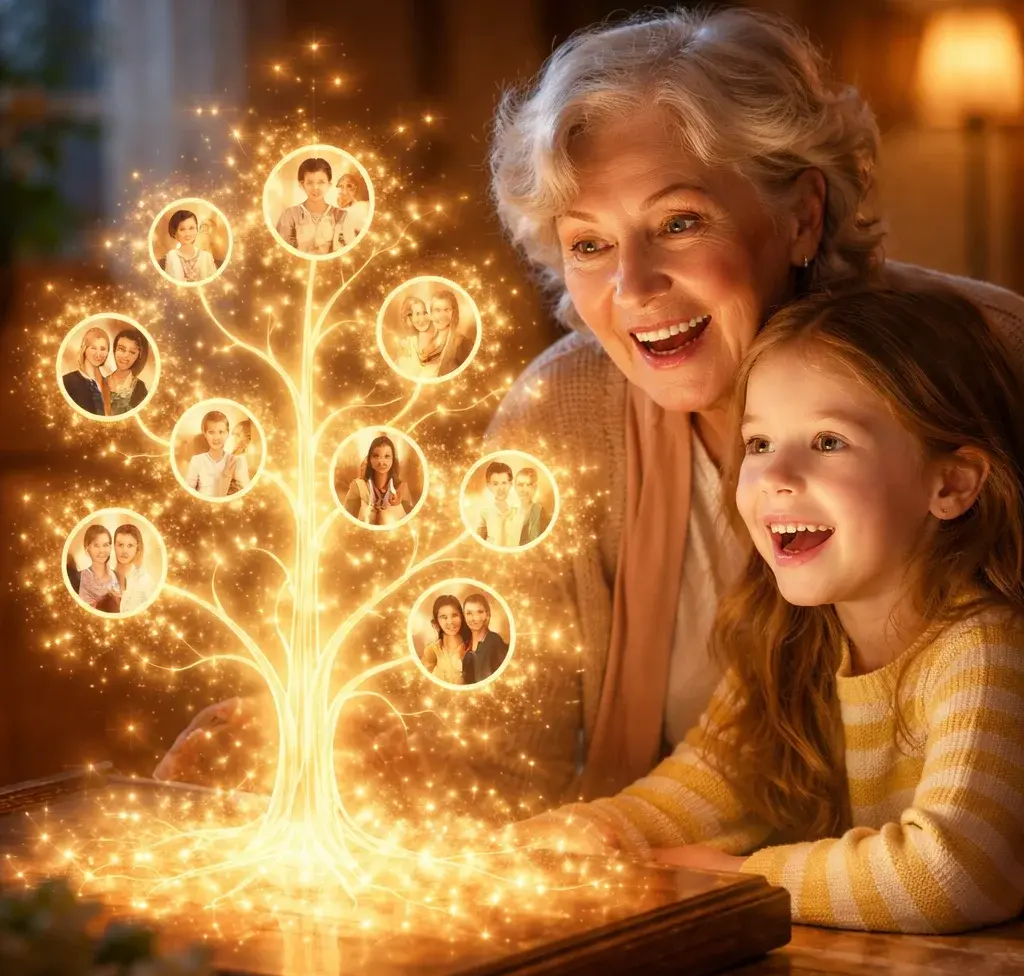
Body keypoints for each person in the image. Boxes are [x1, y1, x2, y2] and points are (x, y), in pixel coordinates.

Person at [154, 7, 1024, 802]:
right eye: (590, 245)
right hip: (696, 894)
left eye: (679, 223)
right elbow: (499, 752)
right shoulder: (559, 412)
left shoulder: (997, 358)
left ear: (801, 215)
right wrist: (346, 750)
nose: (633, 288)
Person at [522, 285, 1024, 934]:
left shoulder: (984, 648)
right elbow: (704, 788)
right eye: (758, 444)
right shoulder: (792, 635)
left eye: (828, 442)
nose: (776, 476)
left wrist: (739, 879)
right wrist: (581, 834)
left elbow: (954, 873)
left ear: (950, 484)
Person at [275, 157, 346, 255]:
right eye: (309, 183)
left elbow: (343, 253)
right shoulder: (289, 215)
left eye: (321, 182)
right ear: (302, 185)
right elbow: (283, 252)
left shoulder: (341, 215)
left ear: (329, 185)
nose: (315, 187)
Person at [341, 435, 414, 526]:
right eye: (376, 456)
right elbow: (346, 521)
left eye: (387, 456)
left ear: (393, 459)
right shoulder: (358, 486)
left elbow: (411, 522)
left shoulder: (402, 488)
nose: (381, 462)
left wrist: (396, 506)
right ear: (369, 459)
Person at [184, 410, 250, 498]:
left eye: (221, 432)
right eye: (211, 432)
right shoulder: (197, 460)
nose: (216, 438)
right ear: (205, 434)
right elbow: (188, 493)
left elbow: (245, 493)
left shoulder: (237, 460)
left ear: (227, 433)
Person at [421, 595, 472, 686]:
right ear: (437, 622)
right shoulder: (432, 650)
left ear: (462, 617)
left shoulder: (473, 647)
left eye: (454, 615)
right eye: (443, 617)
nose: (450, 622)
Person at [462, 593, 510, 685]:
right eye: (469, 613)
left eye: (480, 612)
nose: (474, 618)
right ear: (464, 616)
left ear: (487, 614)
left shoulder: (495, 642)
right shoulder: (465, 645)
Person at [62, 326, 111, 416]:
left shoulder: (109, 384)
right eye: (93, 348)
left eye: (103, 349)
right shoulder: (67, 381)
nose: (98, 354)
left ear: (108, 352)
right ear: (84, 349)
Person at [111, 523, 156, 615]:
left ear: (137, 548)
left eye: (130, 545)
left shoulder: (145, 580)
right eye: (120, 545)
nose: (124, 550)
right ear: (114, 546)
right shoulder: (104, 577)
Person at [394, 295, 442, 378]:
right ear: (409, 319)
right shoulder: (407, 344)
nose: (422, 319)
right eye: (417, 314)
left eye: (424, 313)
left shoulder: (438, 336)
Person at [164, 209, 218, 283]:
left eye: (191, 228)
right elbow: (168, 284)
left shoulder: (207, 257)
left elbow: (215, 283)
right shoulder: (171, 256)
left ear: (197, 229)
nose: (188, 234)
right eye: (182, 229)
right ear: (174, 233)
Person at [105, 328, 150, 415]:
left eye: (132, 352)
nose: (125, 356)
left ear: (138, 356)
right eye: (121, 349)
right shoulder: (99, 383)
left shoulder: (140, 388)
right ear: (114, 350)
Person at [74, 523, 120, 608]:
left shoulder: (117, 576)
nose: (101, 550)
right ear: (87, 548)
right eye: (96, 545)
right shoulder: (79, 578)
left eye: (105, 545)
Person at [477, 462, 522, 547]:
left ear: (510, 484)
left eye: (504, 483)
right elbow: (479, 543)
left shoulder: (520, 511)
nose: (500, 488)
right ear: (488, 486)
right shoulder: (484, 513)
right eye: (495, 484)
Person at [429, 289, 473, 376]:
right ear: (431, 313)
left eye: (447, 310)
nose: (441, 316)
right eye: (437, 310)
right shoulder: (429, 341)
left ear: (454, 312)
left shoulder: (462, 343)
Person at [332, 171, 370, 247]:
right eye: (341, 187)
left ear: (356, 189)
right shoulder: (332, 211)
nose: (344, 192)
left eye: (349, 187)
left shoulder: (362, 208)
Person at [514, 467, 550, 545]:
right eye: (520, 485)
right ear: (515, 487)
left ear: (535, 488)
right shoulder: (510, 512)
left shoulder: (539, 512)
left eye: (528, 485)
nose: (524, 490)